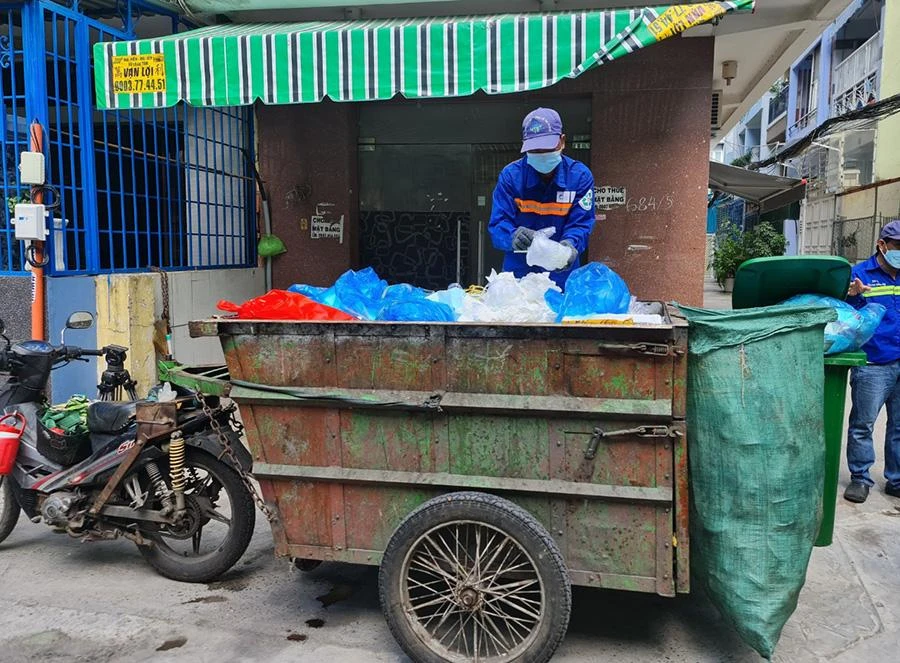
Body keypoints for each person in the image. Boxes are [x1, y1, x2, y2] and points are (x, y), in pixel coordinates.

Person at [488, 107, 595, 288]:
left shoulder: (579, 177)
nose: (541, 154)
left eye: (546, 148)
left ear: (562, 141)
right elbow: (498, 224)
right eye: (535, 149)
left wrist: (570, 244)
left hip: (561, 273)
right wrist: (512, 236)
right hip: (519, 276)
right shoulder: (511, 177)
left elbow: (580, 224)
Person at [843, 219, 900, 503]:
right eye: (898, 246)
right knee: (863, 423)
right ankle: (860, 478)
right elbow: (845, 317)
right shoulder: (859, 274)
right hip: (874, 364)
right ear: (882, 245)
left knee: (899, 425)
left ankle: (896, 479)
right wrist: (851, 295)